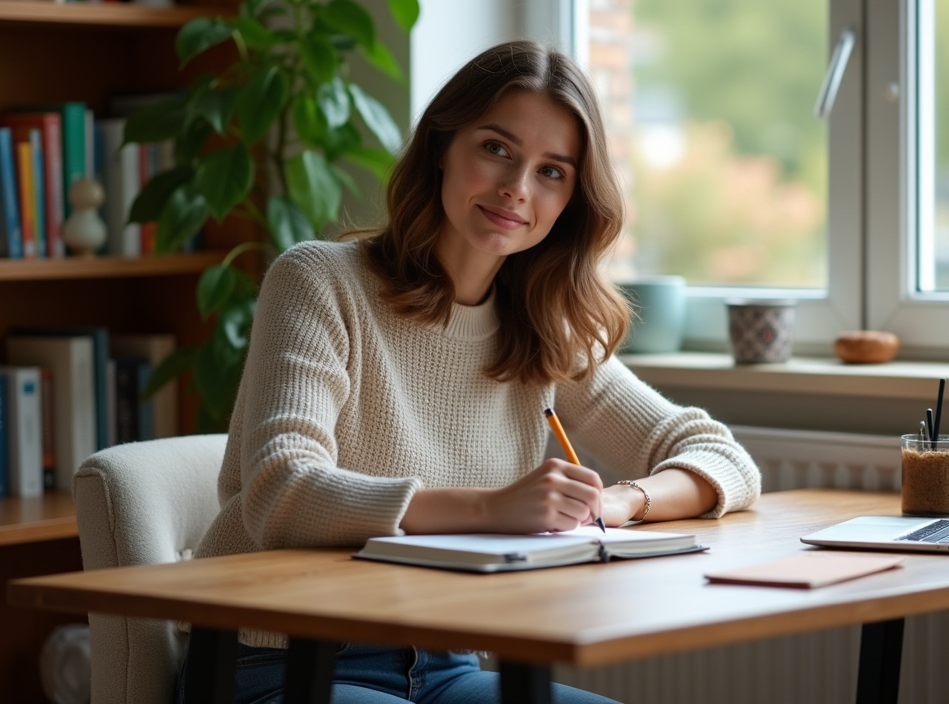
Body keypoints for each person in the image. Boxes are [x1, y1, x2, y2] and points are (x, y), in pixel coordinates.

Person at [179, 39, 761, 703]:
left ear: (573, 198)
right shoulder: (319, 282)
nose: (517, 187)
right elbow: (282, 494)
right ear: (441, 147)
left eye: (552, 171)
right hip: (279, 658)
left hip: (443, 661)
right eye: (496, 149)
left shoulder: (540, 324)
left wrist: (617, 502)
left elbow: (722, 458)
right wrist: (494, 509)